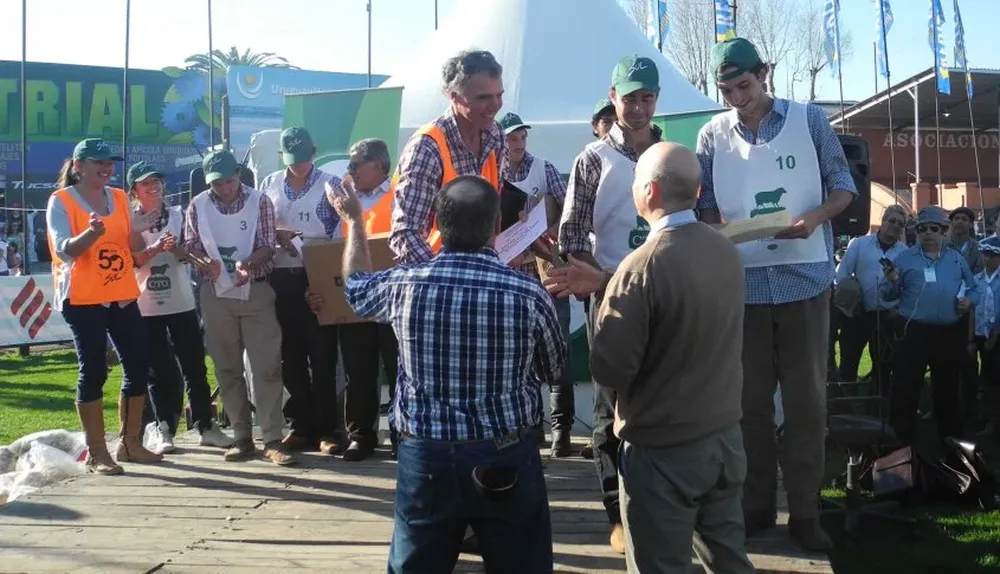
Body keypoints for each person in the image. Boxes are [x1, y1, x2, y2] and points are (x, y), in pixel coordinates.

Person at [337, 175, 566, 573]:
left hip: (426, 455)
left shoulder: (402, 286)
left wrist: (356, 222)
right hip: (505, 453)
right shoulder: (529, 294)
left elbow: (355, 287)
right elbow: (553, 370)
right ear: (497, 227)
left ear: (438, 226)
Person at [695, 38, 857, 551]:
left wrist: (816, 217)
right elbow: (703, 206)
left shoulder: (809, 120)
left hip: (804, 280)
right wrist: (719, 227)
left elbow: (844, 184)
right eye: (726, 89)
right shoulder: (711, 134)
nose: (736, 97)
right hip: (743, 286)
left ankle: (806, 513)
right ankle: (756, 505)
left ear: (764, 73)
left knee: (808, 402)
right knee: (749, 405)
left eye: (743, 85)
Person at [592, 142, 753, 573]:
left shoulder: (640, 268)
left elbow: (610, 368)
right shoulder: (725, 250)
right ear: (698, 193)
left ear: (649, 193)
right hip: (723, 439)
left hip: (664, 453)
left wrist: (602, 302)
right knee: (728, 559)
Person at [557, 54, 663, 554]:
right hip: (611, 300)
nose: (639, 107)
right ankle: (616, 513)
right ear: (613, 96)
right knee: (608, 409)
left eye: (647, 97)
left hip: (666, 299)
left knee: (664, 402)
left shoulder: (674, 155)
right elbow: (572, 235)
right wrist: (597, 279)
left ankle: (661, 508)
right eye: (630, 97)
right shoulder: (593, 159)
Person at [46, 138, 163, 475]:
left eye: (110, 162)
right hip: (82, 297)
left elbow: (128, 242)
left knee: (140, 362)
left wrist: (142, 227)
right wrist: (90, 235)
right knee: (94, 368)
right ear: (79, 166)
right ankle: (98, 452)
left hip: (121, 292)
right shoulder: (62, 200)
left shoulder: (118, 198)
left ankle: (129, 443)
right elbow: (64, 249)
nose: (107, 168)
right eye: (99, 162)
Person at [184, 150, 295, 466]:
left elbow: (267, 244)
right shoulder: (198, 205)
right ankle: (242, 436)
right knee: (227, 367)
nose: (223, 188)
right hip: (215, 295)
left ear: (238, 175)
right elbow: (190, 247)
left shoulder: (259, 201)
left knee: (267, 366)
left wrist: (247, 264)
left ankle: (273, 438)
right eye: (216, 183)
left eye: (228, 181)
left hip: (256, 292)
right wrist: (206, 264)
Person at [126, 161, 234, 452]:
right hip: (146, 305)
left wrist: (177, 250)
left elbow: (188, 253)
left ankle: (205, 426)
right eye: (146, 182)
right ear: (135, 189)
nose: (154, 186)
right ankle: (163, 429)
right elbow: (133, 259)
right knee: (158, 371)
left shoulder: (177, 214)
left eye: (157, 181)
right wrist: (156, 248)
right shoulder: (129, 218)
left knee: (195, 366)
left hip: (182, 302)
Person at [309, 138, 400, 461]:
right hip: (356, 302)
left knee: (400, 369)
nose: (349, 170)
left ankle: (403, 435)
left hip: (393, 301)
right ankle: (361, 435)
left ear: (380, 165)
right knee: (357, 371)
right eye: (349, 162)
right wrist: (318, 286)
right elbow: (330, 253)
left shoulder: (399, 196)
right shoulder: (341, 205)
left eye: (357, 162)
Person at [258, 127, 345, 456]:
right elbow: (261, 227)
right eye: (293, 160)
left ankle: (327, 428)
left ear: (314, 151)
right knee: (289, 354)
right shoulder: (269, 184)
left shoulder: (331, 185)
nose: (300, 166)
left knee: (322, 354)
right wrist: (278, 234)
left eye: (305, 158)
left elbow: (339, 233)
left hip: (317, 272)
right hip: (280, 275)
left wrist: (321, 275)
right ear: (283, 157)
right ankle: (299, 425)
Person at [498, 111, 576, 457]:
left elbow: (567, 207)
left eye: (521, 137)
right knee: (517, 353)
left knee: (558, 349)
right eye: (511, 138)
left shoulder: (542, 168)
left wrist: (551, 224)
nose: (517, 143)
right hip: (509, 273)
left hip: (545, 272)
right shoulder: (491, 172)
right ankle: (530, 425)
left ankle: (561, 428)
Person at [389, 49, 507, 266]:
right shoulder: (427, 147)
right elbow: (406, 233)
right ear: (453, 97)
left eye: (499, 95)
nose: (495, 105)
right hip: (433, 278)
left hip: (479, 270)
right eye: (484, 97)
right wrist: (445, 278)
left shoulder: (496, 135)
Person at [883, 206, 978, 448]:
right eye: (922, 229)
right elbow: (888, 294)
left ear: (944, 232)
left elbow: (974, 289)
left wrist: (969, 301)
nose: (927, 234)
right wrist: (892, 281)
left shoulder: (956, 259)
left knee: (946, 387)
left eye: (934, 229)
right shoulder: (904, 258)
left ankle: (950, 442)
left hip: (948, 333)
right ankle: (900, 442)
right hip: (914, 331)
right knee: (906, 386)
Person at [834, 205, 909, 397]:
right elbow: (842, 275)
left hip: (887, 316)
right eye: (891, 221)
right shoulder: (859, 244)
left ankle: (877, 410)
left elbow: (907, 286)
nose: (895, 226)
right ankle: (846, 409)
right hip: (858, 314)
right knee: (849, 363)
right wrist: (851, 296)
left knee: (883, 367)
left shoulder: (905, 253)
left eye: (900, 224)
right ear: (883, 221)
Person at [949, 206, 986, 432]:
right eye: (957, 218)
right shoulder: (942, 246)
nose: (961, 222)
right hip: (944, 309)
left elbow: (978, 280)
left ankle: (969, 409)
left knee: (968, 364)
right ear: (951, 222)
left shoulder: (977, 250)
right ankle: (940, 406)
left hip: (968, 311)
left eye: (965, 219)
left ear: (970, 224)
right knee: (942, 361)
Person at [972, 236, 1000, 438]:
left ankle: (993, 422)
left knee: (994, 377)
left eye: (993, 255)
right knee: (982, 377)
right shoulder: (976, 280)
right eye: (986, 254)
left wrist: (995, 334)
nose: (988, 259)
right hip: (980, 334)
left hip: (997, 335)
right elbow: (972, 310)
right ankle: (984, 417)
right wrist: (971, 339)